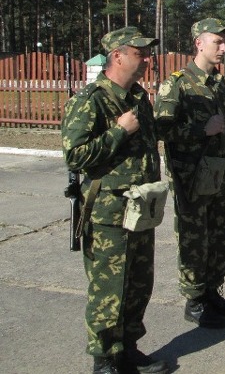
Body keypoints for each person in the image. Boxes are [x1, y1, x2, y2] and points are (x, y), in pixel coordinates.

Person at [61, 27, 169, 374]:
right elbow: (75, 156)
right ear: (117, 55)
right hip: (108, 212)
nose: (147, 59)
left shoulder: (139, 97)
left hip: (140, 208)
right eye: (140, 52)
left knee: (139, 282)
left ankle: (129, 347)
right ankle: (105, 358)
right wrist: (120, 131)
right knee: (110, 288)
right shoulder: (90, 100)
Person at [154, 18, 225, 329]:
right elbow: (161, 129)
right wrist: (199, 130)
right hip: (191, 178)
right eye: (217, 42)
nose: (224, 47)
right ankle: (195, 300)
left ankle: (212, 291)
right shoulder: (177, 83)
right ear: (199, 44)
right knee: (195, 241)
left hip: (219, 175)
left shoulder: (220, 84)